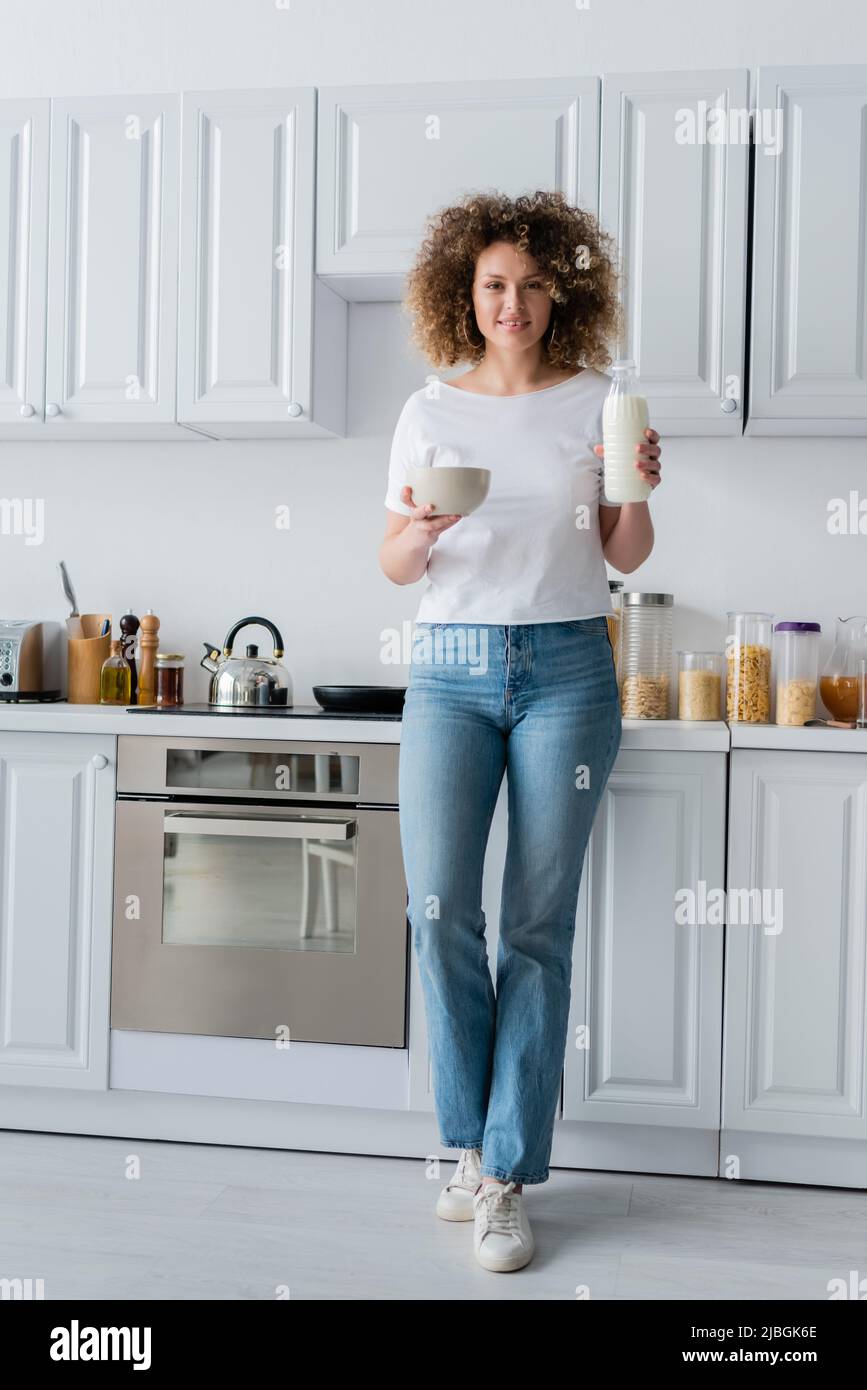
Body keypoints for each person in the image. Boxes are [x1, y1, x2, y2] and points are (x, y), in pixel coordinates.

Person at [378, 190, 662, 1274]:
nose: (514, 302)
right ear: (467, 290)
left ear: (563, 295)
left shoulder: (598, 399)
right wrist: (419, 529)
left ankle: (504, 1175)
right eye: (496, 283)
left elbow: (626, 552)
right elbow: (396, 563)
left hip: (568, 671)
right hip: (448, 672)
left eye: (535, 284)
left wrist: (635, 488)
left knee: (536, 927)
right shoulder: (428, 411)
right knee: (441, 907)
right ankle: (467, 1141)